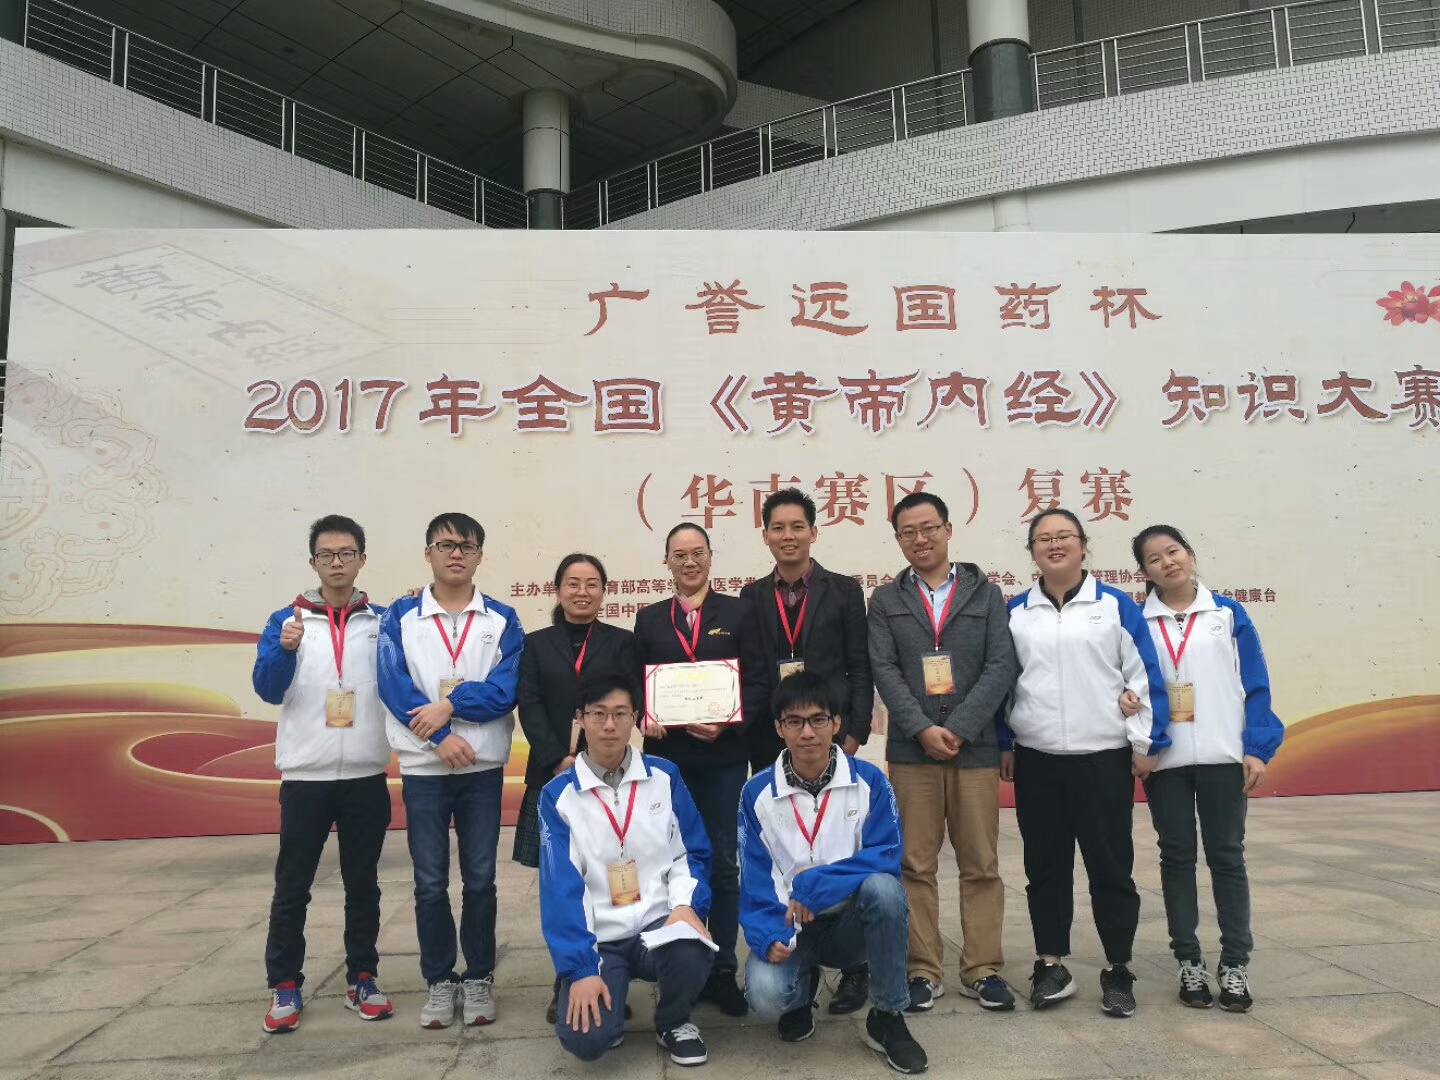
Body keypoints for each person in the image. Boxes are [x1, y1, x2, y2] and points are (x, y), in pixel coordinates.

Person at [999, 508, 1169, 1018]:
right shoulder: (1015, 611)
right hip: (1037, 760)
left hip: (1103, 759)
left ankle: (1118, 968)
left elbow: (1142, 675)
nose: (1055, 545)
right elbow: (1002, 683)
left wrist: (1145, 742)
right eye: (1043, 539)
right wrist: (1005, 741)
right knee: (1044, 866)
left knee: (1110, 867)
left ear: (1083, 545)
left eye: (1064, 537)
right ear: (1031, 552)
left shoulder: (1114, 606)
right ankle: (1050, 963)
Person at [868, 491, 1020, 1014]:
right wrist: (920, 728)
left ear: (948, 530)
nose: (920, 539)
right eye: (908, 532)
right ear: (898, 540)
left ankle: (983, 969)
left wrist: (958, 727)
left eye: (929, 527)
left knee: (981, 863)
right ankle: (922, 970)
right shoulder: (885, 600)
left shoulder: (986, 595)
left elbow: (1001, 665)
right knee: (915, 864)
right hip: (913, 753)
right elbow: (884, 669)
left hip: (973, 750)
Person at [377, 512, 524, 1030]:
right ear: (428, 554)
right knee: (429, 882)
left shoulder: (502, 618)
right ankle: (440, 980)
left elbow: (505, 690)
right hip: (424, 769)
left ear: (480, 555)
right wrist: (440, 736)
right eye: (445, 545)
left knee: (481, 880)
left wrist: (451, 704)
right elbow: (393, 686)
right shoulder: (400, 616)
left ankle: (479, 975)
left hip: (482, 768)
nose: (456, 553)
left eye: (466, 546)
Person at [740, 672, 928, 1075]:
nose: (807, 732)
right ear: (779, 728)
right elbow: (754, 874)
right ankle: (801, 991)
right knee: (765, 996)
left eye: (818, 719)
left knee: (886, 890)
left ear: (836, 723)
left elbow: (886, 855)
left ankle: (887, 1015)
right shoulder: (756, 793)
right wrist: (766, 933)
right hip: (792, 923)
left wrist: (818, 885)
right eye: (795, 721)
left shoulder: (870, 781)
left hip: (850, 924)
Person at [1130, 524, 1283, 1013]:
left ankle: (1234, 962)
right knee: (1176, 857)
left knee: (1227, 857)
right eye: (1154, 558)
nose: (1167, 562)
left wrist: (1256, 747)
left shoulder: (1227, 614)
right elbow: (1128, 685)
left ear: (1190, 554)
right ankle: (1188, 960)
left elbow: (1255, 682)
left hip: (1222, 756)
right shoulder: (1137, 621)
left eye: (1173, 551)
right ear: (1145, 571)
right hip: (1165, 761)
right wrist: (1137, 737)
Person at [252, 514, 394, 1033]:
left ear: (362, 559)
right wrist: (284, 650)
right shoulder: (285, 620)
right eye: (327, 555)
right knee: (293, 886)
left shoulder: (383, 622)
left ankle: (363, 977)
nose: (337, 563)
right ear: (313, 562)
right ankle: (284, 983)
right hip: (305, 777)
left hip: (365, 775)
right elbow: (268, 689)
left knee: (364, 885)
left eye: (346, 553)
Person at [739, 487, 875, 1015]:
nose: (788, 536)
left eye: (798, 526)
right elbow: (750, 671)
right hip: (775, 740)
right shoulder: (751, 596)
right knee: (782, 845)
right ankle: (796, 948)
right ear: (765, 536)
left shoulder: (843, 591)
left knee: (842, 841)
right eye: (778, 527)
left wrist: (855, 730)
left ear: (814, 532)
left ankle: (855, 963)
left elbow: (859, 665)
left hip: (831, 735)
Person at [540, 673, 715, 1067]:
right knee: (587, 1041)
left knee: (693, 944)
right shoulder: (558, 796)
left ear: (635, 718)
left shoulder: (665, 776)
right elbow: (561, 890)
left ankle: (674, 1022)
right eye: (598, 714)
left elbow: (692, 852)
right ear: (580, 718)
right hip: (601, 938)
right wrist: (581, 969)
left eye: (621, 714)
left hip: (657, 923)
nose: (609, 725)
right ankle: (610, 1004)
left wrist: (685, 906)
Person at [633, 523, 769, 1017]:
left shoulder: (739, 613)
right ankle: (678, 959)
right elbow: (636, 683)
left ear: (710, 557)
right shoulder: (649, 619)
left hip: (724, 759)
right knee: (669, 861)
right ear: (666, 562)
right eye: (679, 555)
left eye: (697, 553)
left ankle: (723, 967)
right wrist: (644, 715)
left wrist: (730, 722)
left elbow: (759, 681)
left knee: (723, 863)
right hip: (667, 765)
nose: (689, 562)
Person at [516, 552, 637, 1024]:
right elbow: (529, 704)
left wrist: (590, 758)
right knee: (563, 881)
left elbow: (628, 704)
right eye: (573, 583)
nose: (582, 592)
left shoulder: (621, 642)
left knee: (606, 874)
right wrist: (558, 759)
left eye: (591, 584)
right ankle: (567, 975)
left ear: (604, 591)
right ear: (558, 590)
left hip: (608, 776)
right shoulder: (535, 644)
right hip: (553, 776)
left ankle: (612, 972)